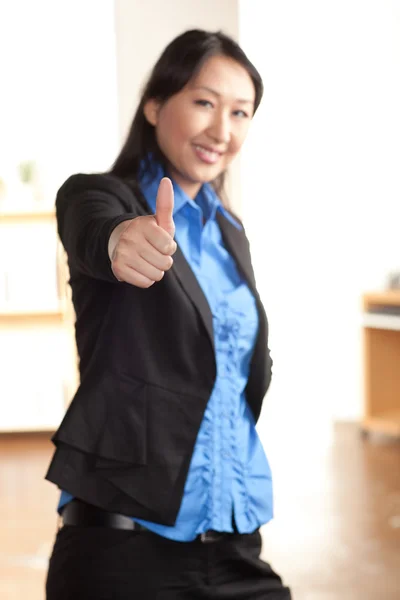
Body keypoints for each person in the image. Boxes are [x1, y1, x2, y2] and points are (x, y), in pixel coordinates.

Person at [45, 28, 292, 600]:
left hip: (235, 545)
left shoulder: (230, 232)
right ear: (155, 103)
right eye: (204, 102)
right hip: (124, 549)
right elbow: (88, 222)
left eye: (241, 112)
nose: (221, 131)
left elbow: (237, 365)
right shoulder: (102, 197)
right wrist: (116, 240)